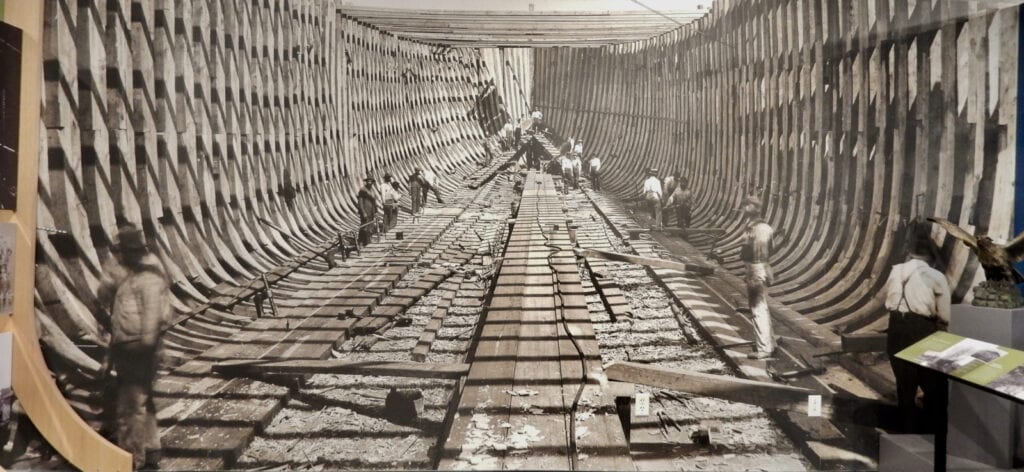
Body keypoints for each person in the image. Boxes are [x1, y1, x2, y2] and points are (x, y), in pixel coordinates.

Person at [104, 225, 172, 469]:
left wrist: (146, 347)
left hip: (137, 349)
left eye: (121, 252)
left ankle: (132, 460)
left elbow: (152, 316)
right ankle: (151, 450)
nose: (118, 257)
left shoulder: (148, 277)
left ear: (130, 252)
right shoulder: (133, 275)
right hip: (130, 347)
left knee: (129, 409)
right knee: (144, 401)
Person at [883, 233, 950, 433]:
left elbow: (889, 297)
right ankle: (932, 433)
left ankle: (906, 434)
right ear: (931, 256)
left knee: (905, 385)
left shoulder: (896, 271)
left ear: (910, 253)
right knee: (933, 385)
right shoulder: (936, 276)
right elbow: (945, 316)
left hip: (895, 328)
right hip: (920, 329)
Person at [740, 195, 775, 359]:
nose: (743, 210)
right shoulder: (767, 228)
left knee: (757, 308)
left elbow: (745, 252)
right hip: (764, 267)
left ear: (749, 209)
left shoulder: (751, 229)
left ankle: (764, 348)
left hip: (754, 269)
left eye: (745, 207)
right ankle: (770, 343)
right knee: (763, 306)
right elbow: (771, 249)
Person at [357, 177, 378, 245]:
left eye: (371, 181)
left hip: (371, 211)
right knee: (364, 226)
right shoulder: (362, 190)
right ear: (366, 182)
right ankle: (363, 241)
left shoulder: (372, 190)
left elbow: (374, 202)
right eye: (368, 181)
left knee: (370, 226)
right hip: (365, 211)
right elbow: (360, 202)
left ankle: (367, 240)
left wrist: (376, 211)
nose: (370, 183)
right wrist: (363, 212)